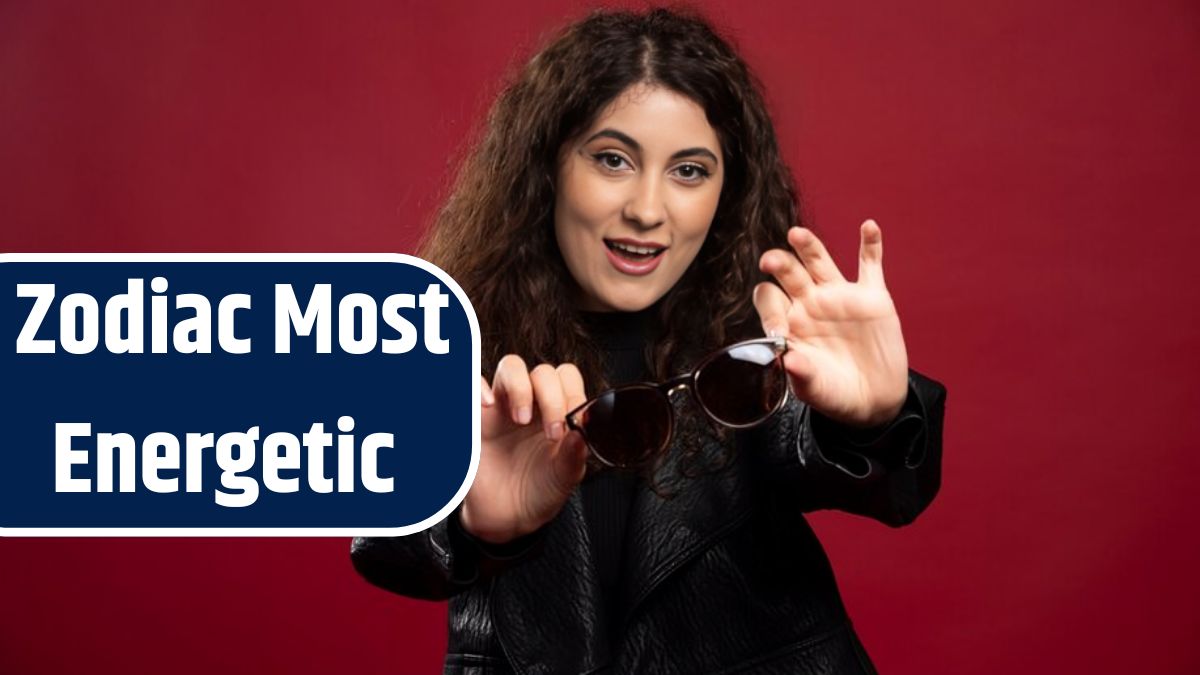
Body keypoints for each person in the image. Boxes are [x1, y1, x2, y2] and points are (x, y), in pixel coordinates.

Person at [351, 7, 946, 674]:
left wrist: (873, 421)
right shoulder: (452, 338)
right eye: (612, 159)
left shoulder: (761, 337)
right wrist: (472, 521)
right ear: (548, 166)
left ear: (728, 191)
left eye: (690, 171)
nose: (646, 209)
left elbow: (885, 484)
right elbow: (384, 543)